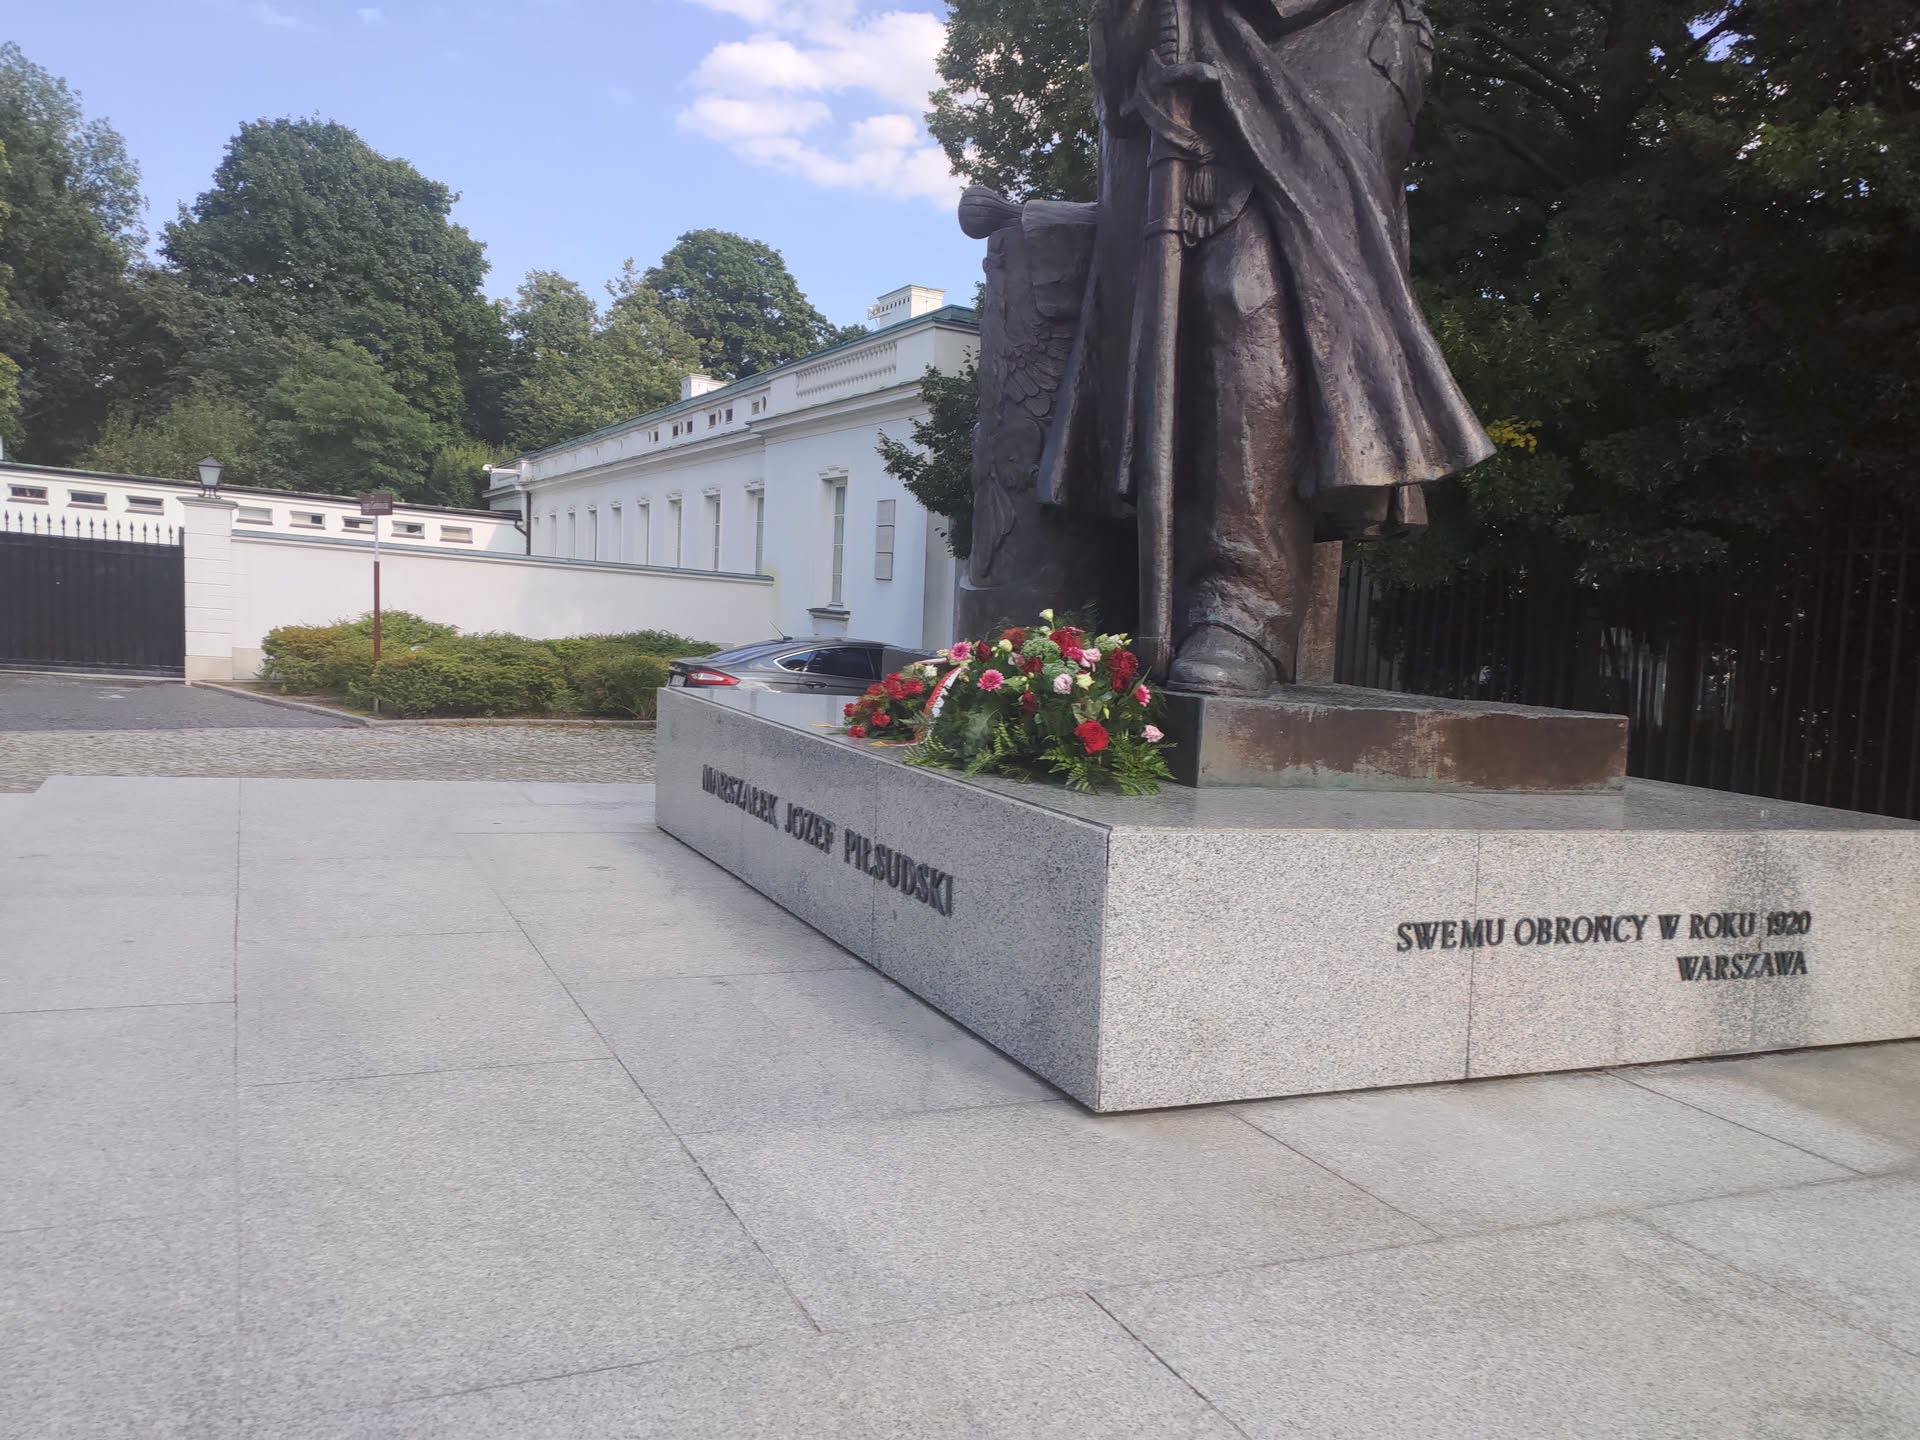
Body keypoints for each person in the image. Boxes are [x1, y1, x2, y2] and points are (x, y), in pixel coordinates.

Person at [1037, 0, 1493, 694]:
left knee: (1244, 285)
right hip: (1181, 38)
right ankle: (1133, 600)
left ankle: (1243, 604)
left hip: (1334, 28)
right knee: (1153, 310)